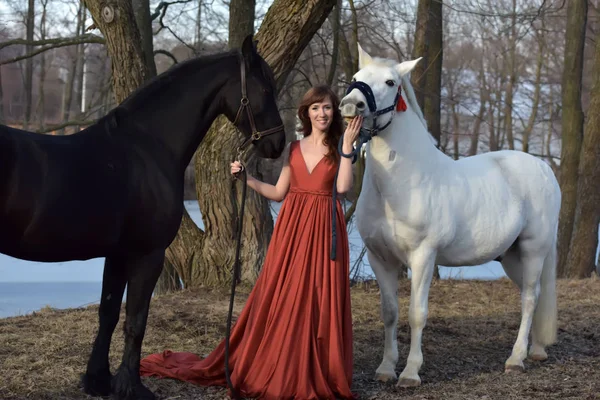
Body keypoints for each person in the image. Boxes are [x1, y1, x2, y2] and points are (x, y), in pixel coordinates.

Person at [139, 85, 363, 400]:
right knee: (285, 295)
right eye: (316, 108)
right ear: (306, 113)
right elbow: (280, 192)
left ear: (334, 111)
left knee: (317, 297)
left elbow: (342, 188)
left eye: (327, 108)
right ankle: (281, 359)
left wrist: (349, 147)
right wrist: (249, 179)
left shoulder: (340, 147)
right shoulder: (294, 149)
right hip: (292, 229)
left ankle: (314, 365)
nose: (322, 113)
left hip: (324, 229)